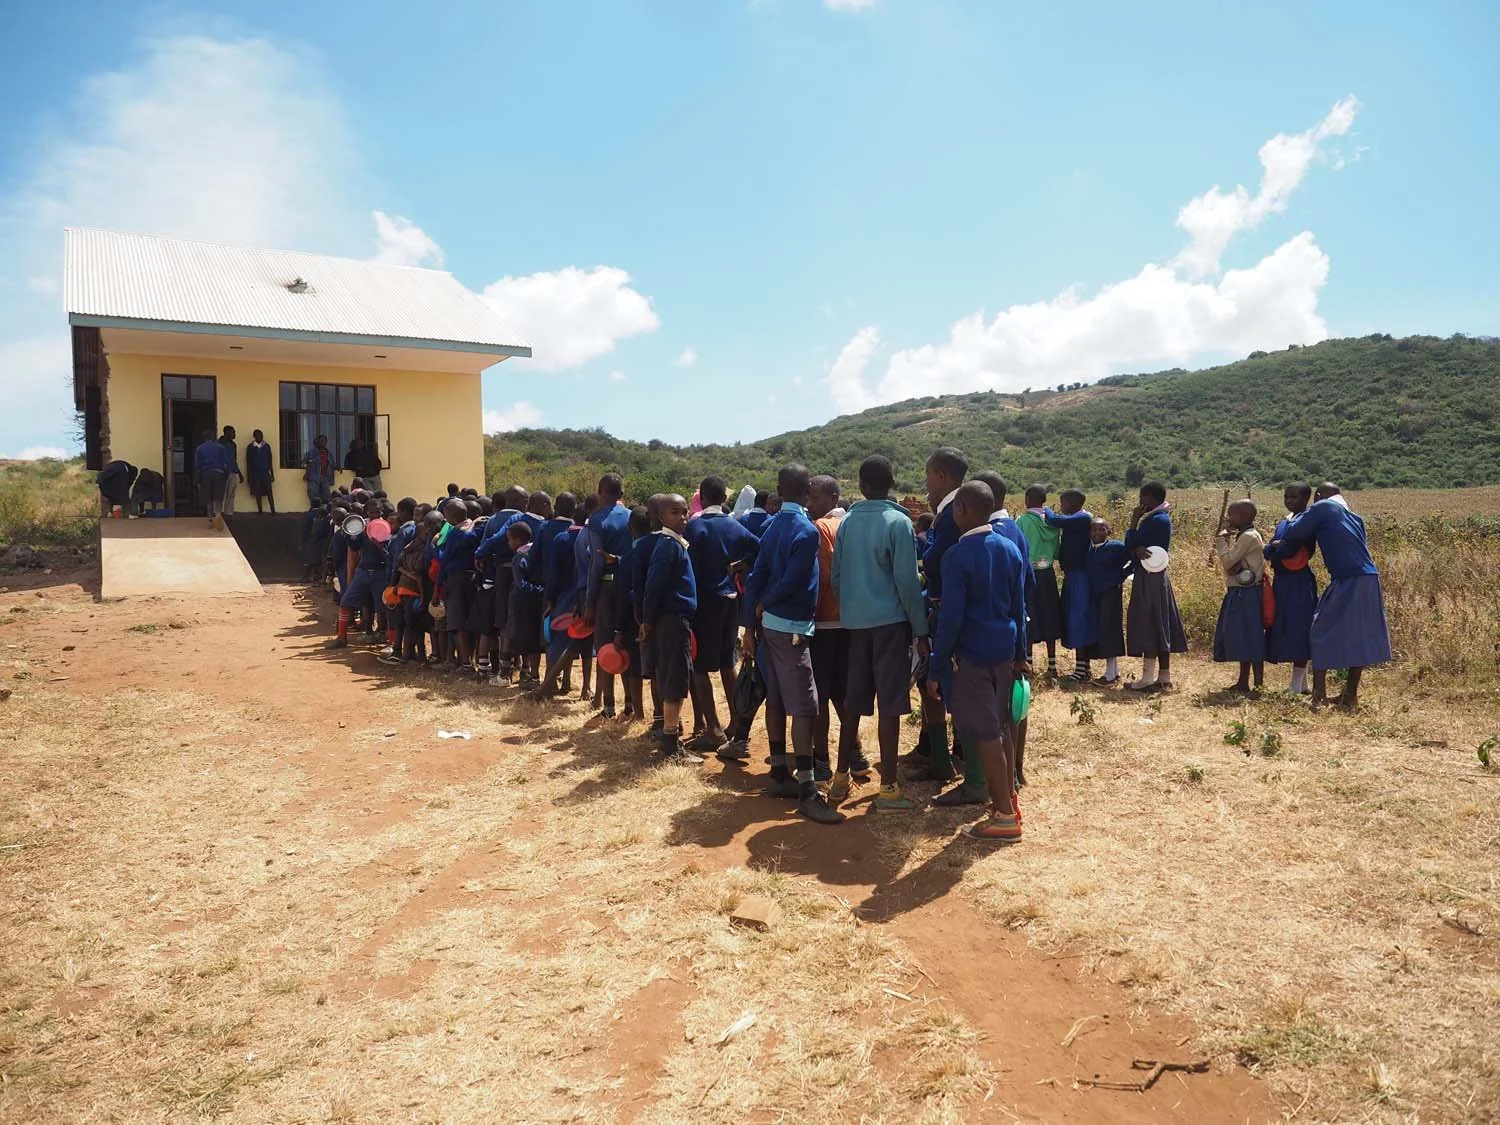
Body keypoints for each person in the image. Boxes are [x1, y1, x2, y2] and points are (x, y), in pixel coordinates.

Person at [928, 481, 1029, 843]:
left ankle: (1003, 817)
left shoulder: (956, 556)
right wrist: (1021, 655)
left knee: (985, 732)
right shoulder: (1009, 549)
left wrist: (937, 667)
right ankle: (1009, 801)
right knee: (1000, 726)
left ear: (963, 510)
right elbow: (1019, 607)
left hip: (971, 655)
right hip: (1003, 651)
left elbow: (952, 618)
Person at [742, 464, 843, 825]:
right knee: (806, 707)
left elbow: (758, 574)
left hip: (771, 626)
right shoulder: (805, 530)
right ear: (806, 492)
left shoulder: (772, 527)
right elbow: (792, 579)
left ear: (782, 491)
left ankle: (779, 772)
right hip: (793, 627)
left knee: (778, 697)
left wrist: (749, 622)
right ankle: (807, 792)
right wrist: (766, 602)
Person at [831, 455, 929, 812]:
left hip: (855, 625)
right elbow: (906, 583)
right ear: (892, 483)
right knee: (890, 705)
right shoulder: (898, 522)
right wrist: (921, 629)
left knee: (853, 704)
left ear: (862, 485)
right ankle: (888, 788)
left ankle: (840, 778)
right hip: (890, 625)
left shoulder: (849, 522)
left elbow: (837, 577)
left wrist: (852, 610)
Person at [1268, 483, 1391, 709]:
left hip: (1347, 577)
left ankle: (1319, 696)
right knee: (1359, 635)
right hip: (1368, 576)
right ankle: (1350, 695)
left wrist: (1276, 543)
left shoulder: (1323, 507)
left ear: (1317, 496)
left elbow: (1295, 530)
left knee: (1319, 629)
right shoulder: (1354, 516)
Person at [683, 475, 760, 755]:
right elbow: (758, 549)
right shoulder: (734, 525)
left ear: (702, 497)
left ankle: (712, 728)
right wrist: (739, 566)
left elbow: (686, 566)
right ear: (725, 498)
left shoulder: (695, 526)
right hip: (731, 601)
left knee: (700, 666)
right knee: (728, 662)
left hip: (704, 601)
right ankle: (736, 722)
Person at [907, 447, 967, 783]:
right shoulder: (962, 507)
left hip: (944, 610)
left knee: (933, 685)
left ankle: (943, 761)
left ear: (942, 476)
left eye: (929, 475)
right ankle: (950, 752)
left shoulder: (949, 515)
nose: (926, 482)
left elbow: (933, 560)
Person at [807, 474, 865, 788]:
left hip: (826, 621)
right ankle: (854, 752)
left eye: (814, 498)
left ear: (832, 498)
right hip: (855, 621)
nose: (809, 504)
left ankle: (822, 761)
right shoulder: (855, 525)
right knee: (844, 692)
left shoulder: (821, 529)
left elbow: (825, 577)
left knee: (820, 695)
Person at [642, 494, 700, 760]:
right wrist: (648, 621)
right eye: (675, 513)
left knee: (676, 675)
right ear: (661, 517)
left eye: (685, 512)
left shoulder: (676, 544)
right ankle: (670, 741)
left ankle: (670, 736)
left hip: (675, 620)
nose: (683, 518)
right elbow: (653, 587)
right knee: (675, 677)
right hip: (671, 620)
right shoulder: (668, 546)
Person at [1123, 481, 1189, 692]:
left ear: (1150, 498)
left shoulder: (1154, 520)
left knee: (1150, 623)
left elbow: (1130, 542)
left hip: (1148, 576)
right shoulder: (1161, 518)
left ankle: (1147, 678)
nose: (1140, 502)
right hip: (1158, 576)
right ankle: (1164, 677)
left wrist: (1133, 521)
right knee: (1160, 622)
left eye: (1142, 498)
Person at [586, 473, 632, 718]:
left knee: (605, 646)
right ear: (621, 493)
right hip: (629, 588)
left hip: (606, 588)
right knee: (624, 643)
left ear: (600, 491)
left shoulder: (596, 520)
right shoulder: (631, 516)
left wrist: (589, 602)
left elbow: (596, 564)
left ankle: (609, 705)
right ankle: (630, 703)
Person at [1265, 483, 1319, 695]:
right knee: (1287, 626)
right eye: (1286, 496)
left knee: (1299, 628)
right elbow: (1273, 547)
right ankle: (1301, 684)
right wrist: (1274, 547)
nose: (1289, 500)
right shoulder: (1287, 520)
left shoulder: (1306, 520)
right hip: (1283, 580)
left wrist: (1275, 547)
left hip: (1298, 580)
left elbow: (1287, 549)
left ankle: (1296, 685)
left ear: (1306, 498)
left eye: (1294, 497)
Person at [1213, 500, 1268, 693]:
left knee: (1251, 636)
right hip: (1242, 591)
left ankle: (1258, 684)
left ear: (1244, 516)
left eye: (1232, 514)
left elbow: (1228, 562)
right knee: (1246, 637)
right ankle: (1244, 682)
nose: (1228, 518)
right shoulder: (1247, 535)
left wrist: (1221, 539)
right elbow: (1232, 565)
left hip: (1246, 592)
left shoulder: (1248, 537)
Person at [1046, 489, 1096, 682]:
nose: (1061, 507)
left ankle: (1082, 669)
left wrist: (1044, 511)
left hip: (1079, 577)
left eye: (1063, 502)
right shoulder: (1078, 519)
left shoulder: (1082, 519)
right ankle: (1083, 667)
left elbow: (1055, 520)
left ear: (1072, 502)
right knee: (1074, 619)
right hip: (1073, 575)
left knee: (1079, 619)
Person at [1016, 487, 1064, 679]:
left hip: (1030, 574)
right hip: (1048, 574)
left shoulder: (1022, 521)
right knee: (1050, 616)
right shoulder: (1052, 523)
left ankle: (1028, 664)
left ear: (1028, 499)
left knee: (1029, 617)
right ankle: (1052, 666)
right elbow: (1057, 552)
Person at [1084, 518, 1130, 686]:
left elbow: (1133, 558)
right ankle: (1113, 672)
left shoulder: (1115, 547)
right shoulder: (1090, 550)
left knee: (1110, 628)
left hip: (1111, 593)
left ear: (1108, 531)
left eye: (1101, 529)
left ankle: (1111, 675)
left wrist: (1121, 576)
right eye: (1094, 530)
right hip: (1097, 594)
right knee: (1103, 630)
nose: (1097, 533)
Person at [193, 431, 233, 530]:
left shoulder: (200, 448)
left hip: (206, 474)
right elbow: (226, 463)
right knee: (218, 498)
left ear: (204, 438)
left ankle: (210, 519)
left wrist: (198, 479)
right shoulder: (221, 448)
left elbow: (197, 465)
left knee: (208, 498)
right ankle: (218, 514)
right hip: (219, 473)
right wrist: (226, 475)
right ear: (214, 438)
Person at [246, 430, 275, 514]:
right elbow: (248, 462)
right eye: (258, 435)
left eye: (261, 435)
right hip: (255, 473)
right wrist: (248, 475)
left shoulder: (266, 446)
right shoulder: (250, 447)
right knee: (257, 491)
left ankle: (273, 510)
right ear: (254, 436)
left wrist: (272, 474)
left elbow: (270, 461)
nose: (260, 437)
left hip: (265, 472)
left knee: (269, 491)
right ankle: (260, 510)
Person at [304, 435, 335, 507]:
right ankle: (315, 512)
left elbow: (332, 463)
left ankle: (325, 513)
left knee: (327, 497)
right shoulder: (311, 452)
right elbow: (305, 462)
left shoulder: (329, 453)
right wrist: (307, 473)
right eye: (321, 441)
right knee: (314, 496)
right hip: (314, 477)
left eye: (324, 441)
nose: (323, 443)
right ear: (317, 442)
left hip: (325, 478)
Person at [218, 426, 243, 516]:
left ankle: (228, 512)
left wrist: (239, 473)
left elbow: (234, 459)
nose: (235, 434)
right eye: (233, 432)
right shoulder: (218, 444)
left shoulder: (233, 445)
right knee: (221, 494)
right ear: (227, 433)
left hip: (232, 472)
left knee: (231, 493)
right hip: (221, 473)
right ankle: (217, 513)